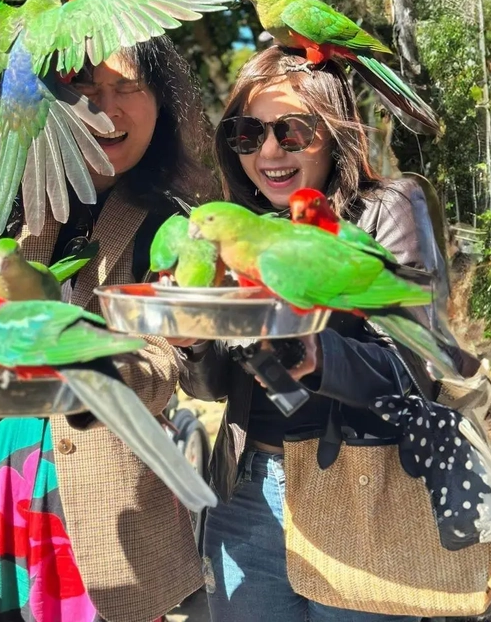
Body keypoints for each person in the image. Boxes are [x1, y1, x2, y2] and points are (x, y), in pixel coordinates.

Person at [0, 36, 214, 622]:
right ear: (51, 97)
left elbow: (165, 365)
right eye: (84, 86)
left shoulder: (179, 214)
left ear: (162, 102)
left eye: (128, 87)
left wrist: (133, 358)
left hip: (107, 519)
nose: (105, 108)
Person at [176, 45, 440, 622]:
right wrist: (192, 339)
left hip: (364, 490)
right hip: (247, 494)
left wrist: (315, 355)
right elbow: (210, 386)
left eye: (292, 132)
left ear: (335, 137)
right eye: (248, 134)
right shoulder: (231, 230)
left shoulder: (387, 208)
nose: (269, 150)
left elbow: (419, 370)